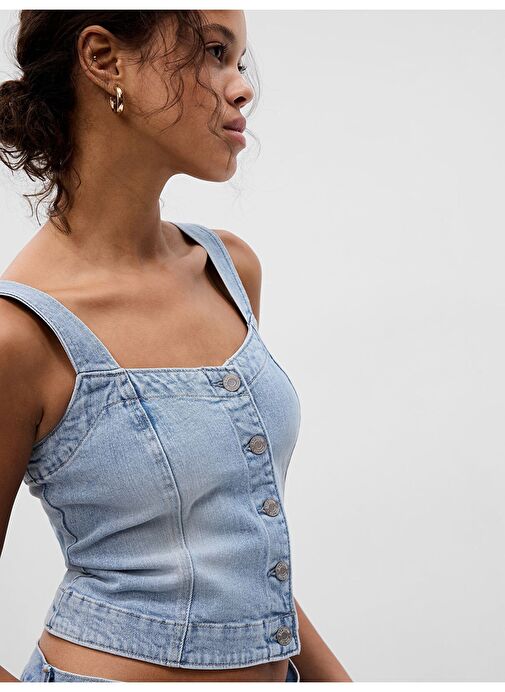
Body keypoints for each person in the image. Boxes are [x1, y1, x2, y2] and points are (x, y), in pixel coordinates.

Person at [0, 9, 352, 683]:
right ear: (105, 59)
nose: (241, 87)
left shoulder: (229, 271)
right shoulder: (20, 333)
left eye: (239, 61)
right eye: (214, 52)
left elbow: (246, 559)